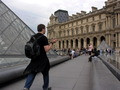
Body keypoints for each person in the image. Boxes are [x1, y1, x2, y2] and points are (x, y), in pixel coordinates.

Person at [23, 24, 57, 90]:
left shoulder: (33, 37)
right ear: (43, 29)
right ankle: (45, 88)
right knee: (45, 73)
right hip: (42, 59)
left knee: (32, 72)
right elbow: (46, 49)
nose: (45, 31)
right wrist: (52, 43)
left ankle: (26, 87)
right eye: (45, 29)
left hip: (34, 58)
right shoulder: (43, 37)